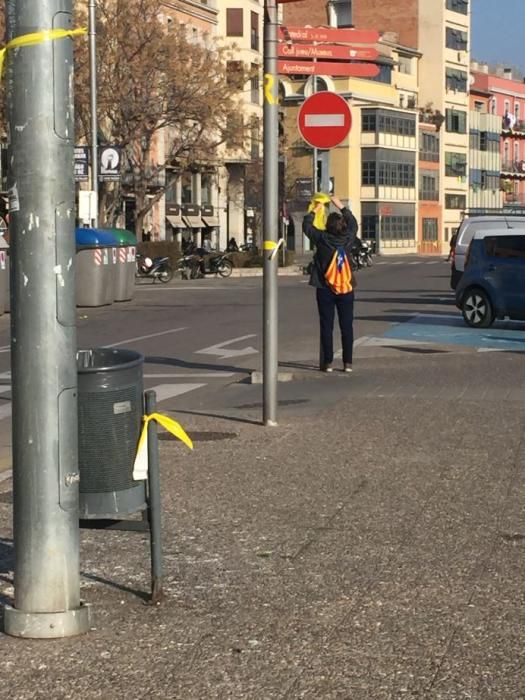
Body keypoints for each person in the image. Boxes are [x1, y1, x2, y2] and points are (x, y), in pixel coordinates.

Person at [303, 194, 358, 373]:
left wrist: (315, 210)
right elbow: (354, 224)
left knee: (327, 325)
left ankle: (327, 362)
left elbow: (307, 227)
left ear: (327, 226)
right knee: (346, 326)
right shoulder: (348, 239)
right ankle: (347, 363)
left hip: (324, 287)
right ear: (342, 226)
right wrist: (340, 205)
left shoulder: (322, 239)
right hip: (345, 287)